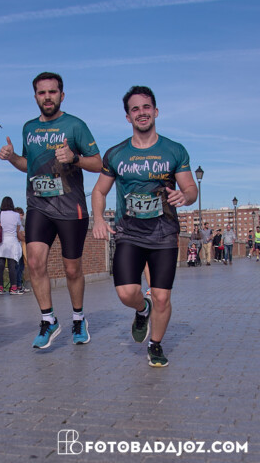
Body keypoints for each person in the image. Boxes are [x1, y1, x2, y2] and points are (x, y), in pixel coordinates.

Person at [92, 86, 197, 368]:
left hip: (164, 233)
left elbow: (190, 188)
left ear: (156, 111)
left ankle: (155, 344)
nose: (141, 112)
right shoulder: (116, 154)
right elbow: (99, 191)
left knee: (162, 297)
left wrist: (185, 196)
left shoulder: (174, 150)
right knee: (127, 292)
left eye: (146, 107)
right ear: (128, 117)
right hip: (129, 233)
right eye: (135, 109)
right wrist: (98, 219)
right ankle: (142, 309)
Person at [0, 71, 102, 347]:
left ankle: (78, 318)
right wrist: (12, 158)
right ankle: (48, 319)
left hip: (70, 207)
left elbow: (97, 163)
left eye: (52, 92)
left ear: (62, 95)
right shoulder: (29, 128)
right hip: (38, 205)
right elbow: (28, 165)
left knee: (72, 269)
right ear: (35, 97)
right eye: (42, 93)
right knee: (34, 262)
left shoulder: (75, 125)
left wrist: (74, 157)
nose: (47, 97)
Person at [0, 197, 23, 294]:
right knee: (12, 266)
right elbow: (17, 229)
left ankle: (0, 287)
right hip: (12, 242)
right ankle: (13, 287)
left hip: (1, 242)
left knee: (0, 266)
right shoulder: (16, 215)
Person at [14, 206, 30, 294]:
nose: (21, 217)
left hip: (21, 248)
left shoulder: (21, 225)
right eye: (20, 215)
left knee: (21, 267)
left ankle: (20, 285)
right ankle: (18, 285)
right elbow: (19, 236)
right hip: (16, 248)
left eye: (22, 215)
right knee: (18, 267)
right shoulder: (16, 225)